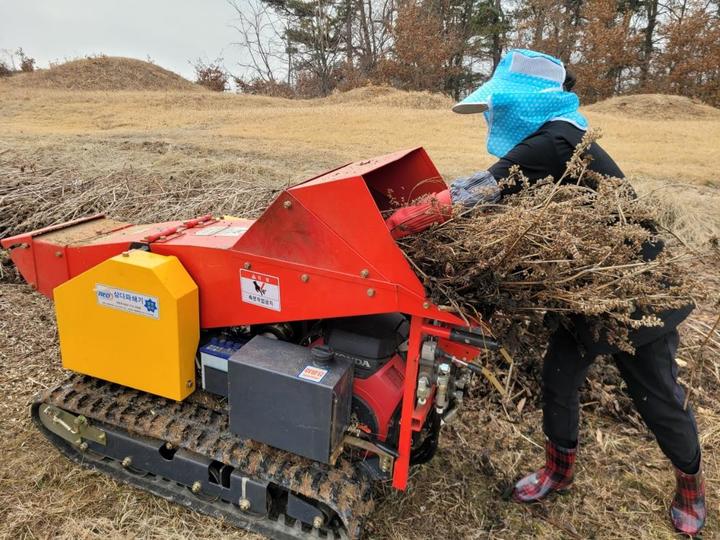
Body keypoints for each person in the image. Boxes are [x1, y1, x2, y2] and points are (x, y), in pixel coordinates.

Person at [385, 49, 705, 536]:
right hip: (588, 289)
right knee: (558, 380)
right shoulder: (556, 137)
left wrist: (393, 225)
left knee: (657, 395)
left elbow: (472, 193)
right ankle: (559, 468)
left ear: (520, 103)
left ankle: (691, 486)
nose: (491, 116)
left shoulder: (556, 142)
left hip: (638, 293)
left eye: (498, 106)